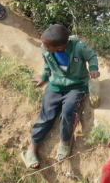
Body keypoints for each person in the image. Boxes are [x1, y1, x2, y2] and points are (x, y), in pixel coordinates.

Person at [23, 23, 99, 168]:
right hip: (56, 85)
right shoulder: (46, 49)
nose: (43, 47)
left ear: (59, 48)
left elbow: (92, 56)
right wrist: (44, 77)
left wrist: (94, 68)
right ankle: (32, 146)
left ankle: (65, 140)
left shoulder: (78, 47)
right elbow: (47, 64)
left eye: (46, 45)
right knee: (46, 115)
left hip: (77, 86)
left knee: (68, 111)